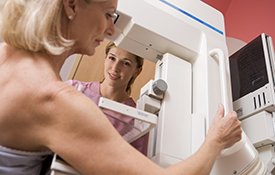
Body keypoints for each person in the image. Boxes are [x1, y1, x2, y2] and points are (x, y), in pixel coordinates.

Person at [0, 0, 242, 175]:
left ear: (135, 71)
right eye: (108, 14)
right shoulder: (57, 102)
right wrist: (216, 141)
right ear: (72, 5)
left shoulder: (5, 53)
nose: (111, 30)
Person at [67, 41, 149, 155]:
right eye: (112, 58)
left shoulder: (136, 121)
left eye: (126, 63)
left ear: (137, 71)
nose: (115, 68)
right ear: (105, 58)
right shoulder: (73, 88)